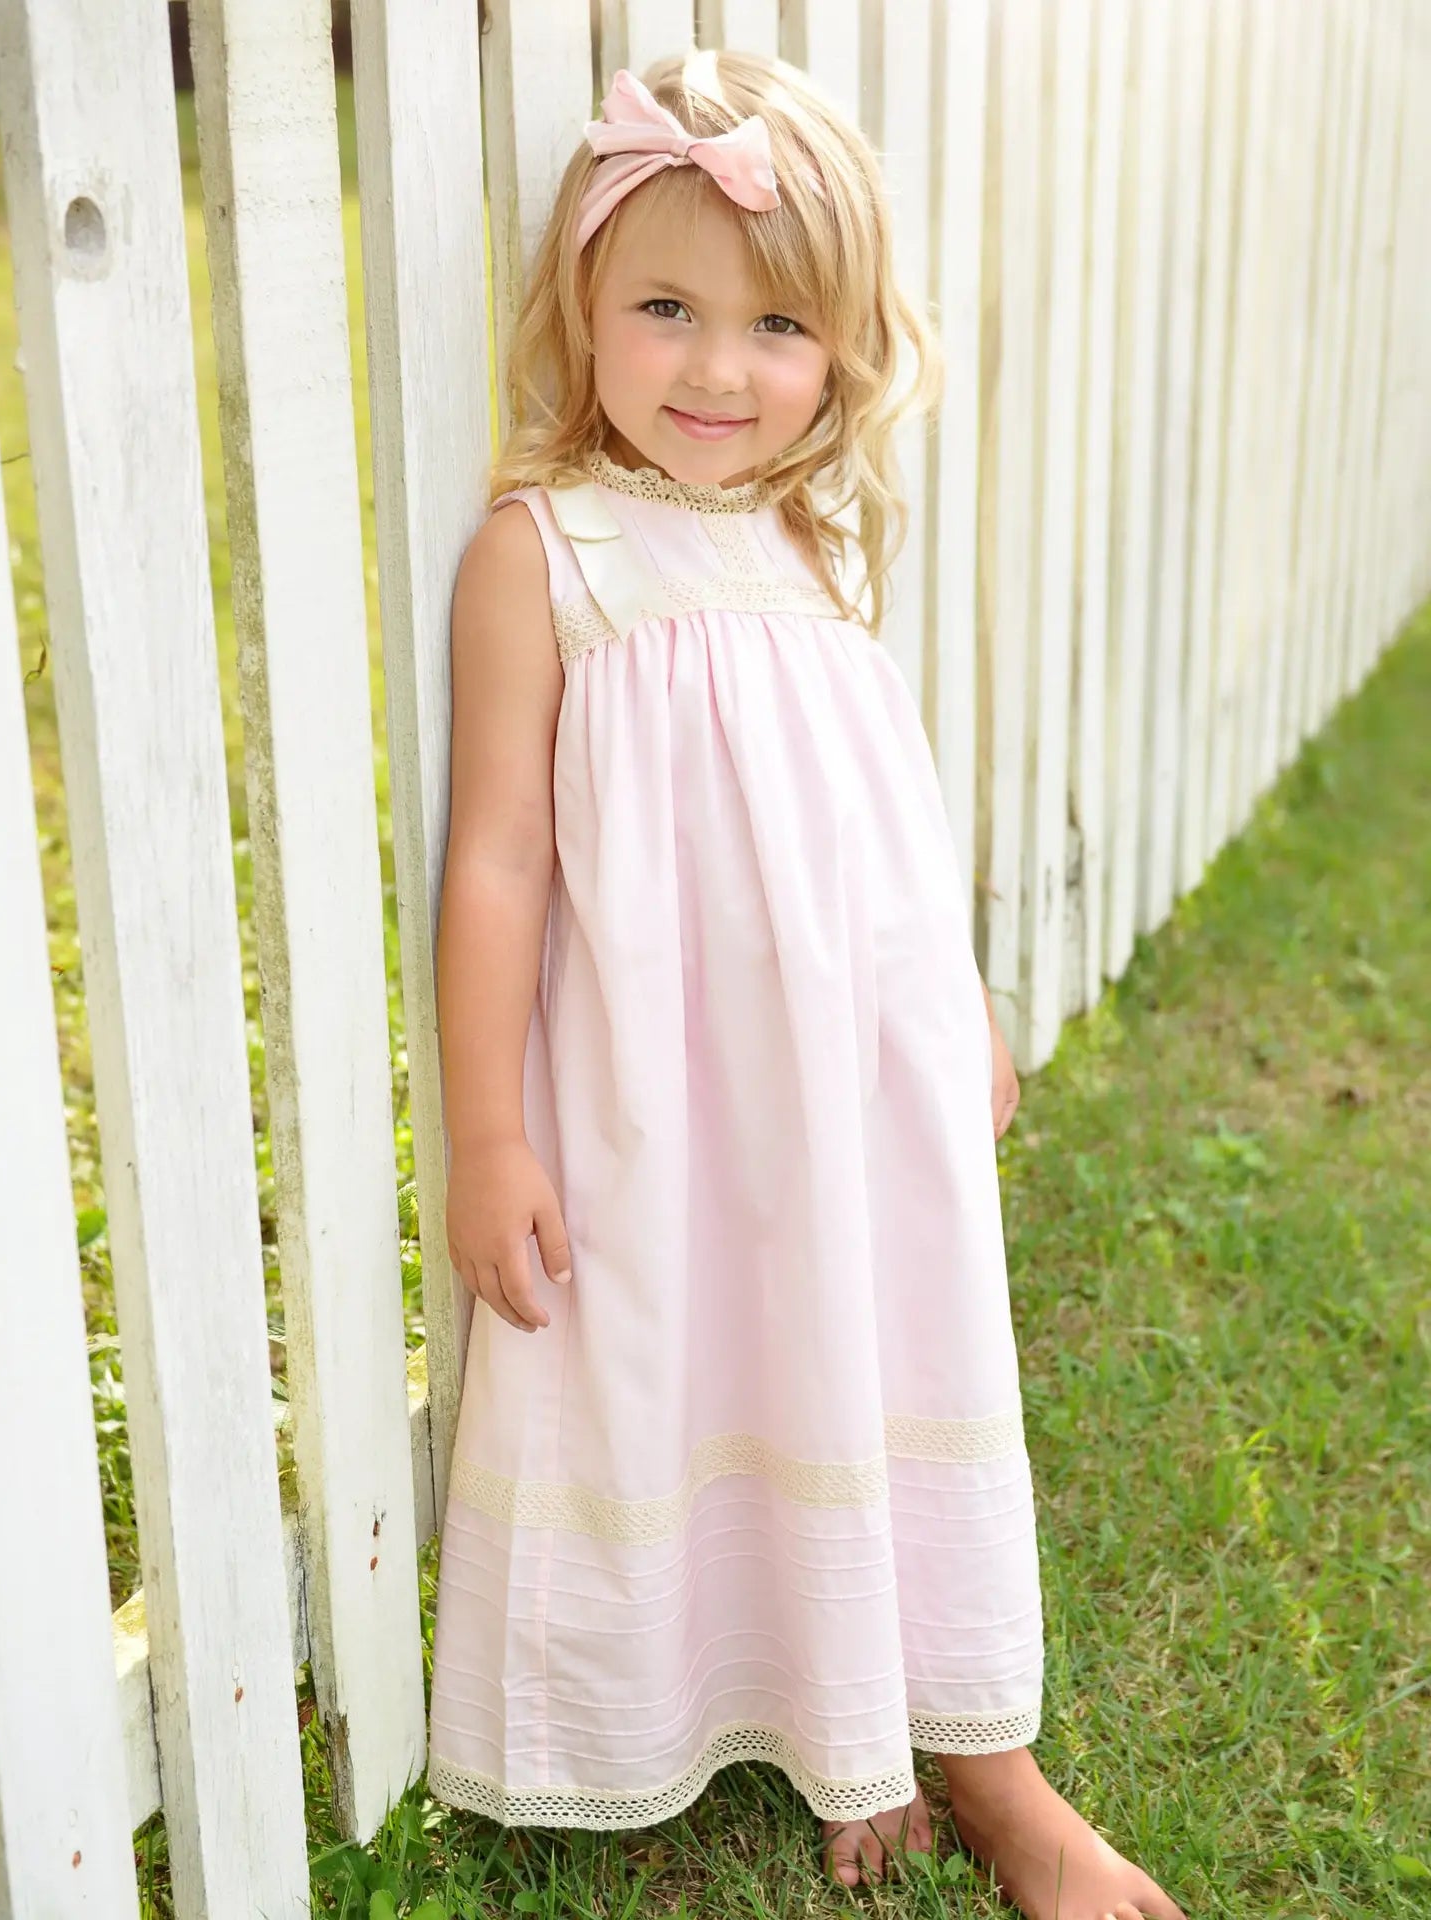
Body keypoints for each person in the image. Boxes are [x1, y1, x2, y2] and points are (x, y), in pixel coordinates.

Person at [426, 48, 1187, 1920]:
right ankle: (819, 1713)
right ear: (579, 306)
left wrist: (967, 1005)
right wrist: (487, 1131)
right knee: (739, 1356)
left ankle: (965, 1755)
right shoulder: (546, 557)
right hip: (688, 1094)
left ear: (841, 353)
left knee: (886, 1346)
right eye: (665, 307)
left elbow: (877, 816)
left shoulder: (810, 537)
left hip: (862, 1065)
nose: (712, 368)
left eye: (775, 326)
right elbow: (500, 854)